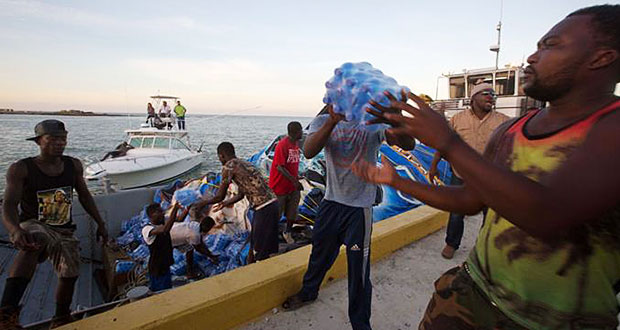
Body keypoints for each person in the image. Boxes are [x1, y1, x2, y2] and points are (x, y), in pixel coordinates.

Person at [352, 5, 620, 329]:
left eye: (550, 46)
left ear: (601, 58)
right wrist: (395, 179)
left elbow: (550, 216)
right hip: (472, 293)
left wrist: (449, 142)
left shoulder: (610, 128)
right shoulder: (512, 130)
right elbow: (471, 200)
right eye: (536, 47)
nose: (531, 59)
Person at [282, 104, 415, 330]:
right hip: (331, 203)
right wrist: (332, 120)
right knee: (319, 255)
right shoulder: (323, 120)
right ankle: (308, 292)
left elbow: (408, 144)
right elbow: (309, 151)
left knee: (358, 271)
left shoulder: (374, 124)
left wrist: (396, 116)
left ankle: (360, 324)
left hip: (358, 210)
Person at [0, 119, 108, 329]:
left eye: (63, 139)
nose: (60, 143)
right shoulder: (21, 168)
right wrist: (14, 230)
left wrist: (100, 224)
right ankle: (6, 314)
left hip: (64, 228)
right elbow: (9, 204)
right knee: (35, 240)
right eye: (53, 138)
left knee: (70, 272)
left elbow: (85, 197)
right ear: (39, 141)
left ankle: (61, 316)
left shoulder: (73, 165)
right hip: (34, 223)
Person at [428, 83, 509, 259]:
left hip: (490, 178)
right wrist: (434, 165)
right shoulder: (457, 119)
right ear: (473, 98)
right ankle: (451, 243)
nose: (491, 97)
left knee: (490, 216)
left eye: (493, 95)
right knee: (457, 213)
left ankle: (482, 247)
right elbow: (445, 143)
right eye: (486, 94)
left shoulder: (503, 121)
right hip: (461, 175)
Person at [192, 142, 279, 263]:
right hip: (274, 204)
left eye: (219, 157)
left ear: (221, 155)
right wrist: (226, 203)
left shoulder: (229, 166)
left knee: (260, 250)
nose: (220, 160)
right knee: (263, 243)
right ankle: (254, 265)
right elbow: (241, 194)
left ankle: (259, 273)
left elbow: (219, 196)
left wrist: (202, 203)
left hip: (263, 208)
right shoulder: (245, 163)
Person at [268, 121, 303, 244]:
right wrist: (294, 181)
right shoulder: (282, 145)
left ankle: (287, 232)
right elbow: (279, 167)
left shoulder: (296, 144)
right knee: (277, 213)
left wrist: (297, 177)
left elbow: (292, 163)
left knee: (292, 211)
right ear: (294, 132)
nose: (302, 133)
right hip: (280, 187)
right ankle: (271, 236)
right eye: (300, 130)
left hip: (292, 187)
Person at [142, 203, 180, 292]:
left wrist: (186, 208)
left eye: (162, 211)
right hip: (157, 267)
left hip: (165, 264)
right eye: (159, 212)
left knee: (166, 290)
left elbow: (179, 219)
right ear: (152, 215)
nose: (162, 214)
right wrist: (174, 209)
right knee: (160, 292)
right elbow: (165, 230)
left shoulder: (163, 221)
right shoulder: (147, 229)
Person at [170, 214, 219, 279]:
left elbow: (200, 242)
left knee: (189, 249)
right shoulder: (194, 235)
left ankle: (189, 272)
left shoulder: (196, 225)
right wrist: (210, 256)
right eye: (209, 228)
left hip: (174, 230)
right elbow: (198, 248)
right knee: (190, 251)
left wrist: (210, 253)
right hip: (170, 237)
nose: (209, 230)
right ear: (207, 227)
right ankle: (190, 273)